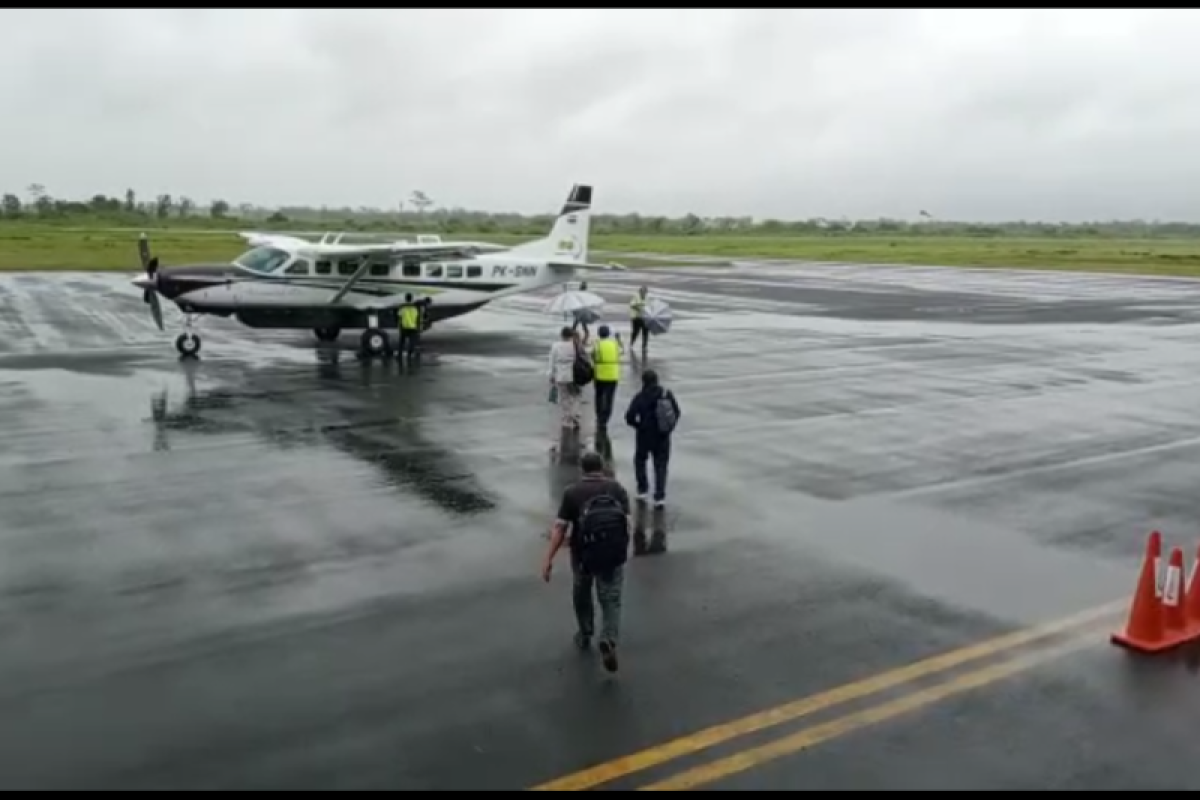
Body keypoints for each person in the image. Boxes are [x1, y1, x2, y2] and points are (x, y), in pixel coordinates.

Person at [542, 450, 632, 673]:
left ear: (582, 469)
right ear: (601, 467)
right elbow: (627, 523)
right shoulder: (617, 489)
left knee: (582, 593)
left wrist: (548, 558)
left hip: (583, 555)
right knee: (611, 599)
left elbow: (560, 528)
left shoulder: (572, 492)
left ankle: (585, 633)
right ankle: (609, 638)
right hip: (611, 555)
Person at [623, 368, 680, 508]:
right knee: (661, 465)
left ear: (643, 381)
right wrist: (668, 428)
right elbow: (676, 412)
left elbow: (629, 416)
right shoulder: (666, 394)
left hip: (644, 435)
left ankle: (643, 489)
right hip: (662, 435)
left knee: (640, 461)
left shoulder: (640, 396)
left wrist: (638, 426)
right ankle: (659, 496)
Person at [547, 326, 591, 453]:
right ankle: (575, 415)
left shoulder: (556, 346)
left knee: (564, 398)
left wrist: (551, 375)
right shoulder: (575, 345)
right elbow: (584, 357)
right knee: (576, 396)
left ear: (562, 335)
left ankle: (567, 418)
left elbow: (552, 361)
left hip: (561, 375)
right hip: (574, 375)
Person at [590, 324, 621, 433]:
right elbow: (621, 351)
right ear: (608, 334)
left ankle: (599, 416)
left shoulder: (597, 344)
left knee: (599, 396)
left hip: (600, 374)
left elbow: (592, 355)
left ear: (599, 334)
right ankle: (605, 419)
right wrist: (619, 339)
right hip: (613, 375)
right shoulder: (615, 344)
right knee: (609, 398)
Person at [398, 293, 421, 358]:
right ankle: (409, 354)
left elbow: (399, 316)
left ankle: (399, 355)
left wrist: (399, 326)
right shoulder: (415, 308)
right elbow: (417, 318)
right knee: (412, 342)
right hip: (413, 327)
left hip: (404, 327)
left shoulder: (402, 307)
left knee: (402, 342)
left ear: (405, 298)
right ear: (411, 299)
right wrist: (418, 327)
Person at [628, 285, 649, 356]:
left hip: (644, 317)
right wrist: (639, 308)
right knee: (635, 332)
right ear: (640, 291)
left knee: (646, 331)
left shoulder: (647, 298)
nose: (644, 293)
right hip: (636, 317)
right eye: (642, 291)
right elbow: (632, 305)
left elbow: (649, 306)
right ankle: (631, 343)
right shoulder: (636, 296)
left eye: (645, 292)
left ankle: (644, 346)